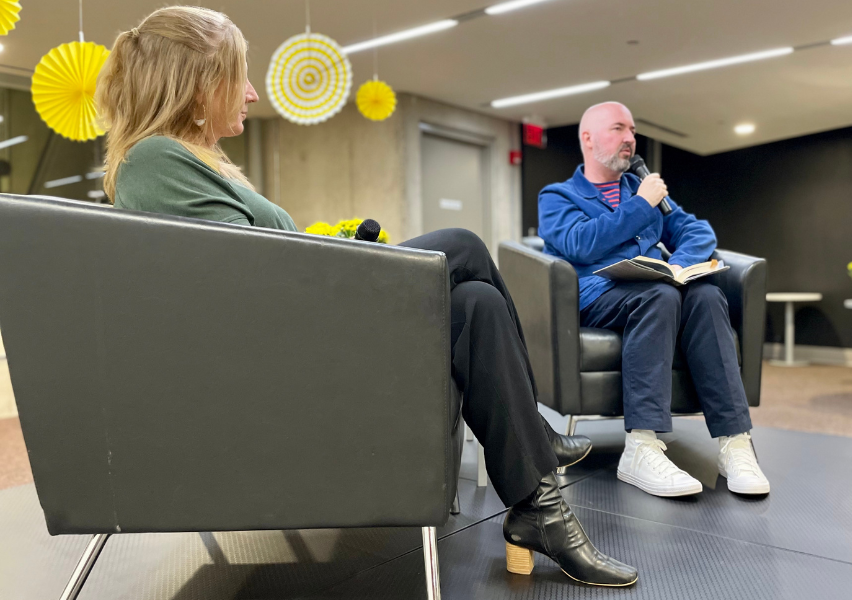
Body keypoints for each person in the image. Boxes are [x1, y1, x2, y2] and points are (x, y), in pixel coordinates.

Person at [94, 6, 637, 587]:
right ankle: (536, 434)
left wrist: (338, 246)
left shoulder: (179, 161)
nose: (252, 93)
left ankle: (539, 509)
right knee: (463, 244)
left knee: (474, 304)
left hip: (299, 327)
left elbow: (250, 262)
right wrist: (343, 260)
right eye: (240, 76)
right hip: (286, 349)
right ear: (200, 86)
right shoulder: (155, 160)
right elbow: (254, 285)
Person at [537, 102, 770, 498]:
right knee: (659, 295)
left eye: (632, 130)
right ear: (588, 139)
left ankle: (734, 441)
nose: (630, 139)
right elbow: (580, 243)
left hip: (654, 285)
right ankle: (641, 446)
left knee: (706, 295)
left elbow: (696, 231)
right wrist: (641, 205)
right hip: (598, 293)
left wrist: (678, 266)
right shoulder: (559, 196)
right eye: (618, 129)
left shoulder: (641, 188)